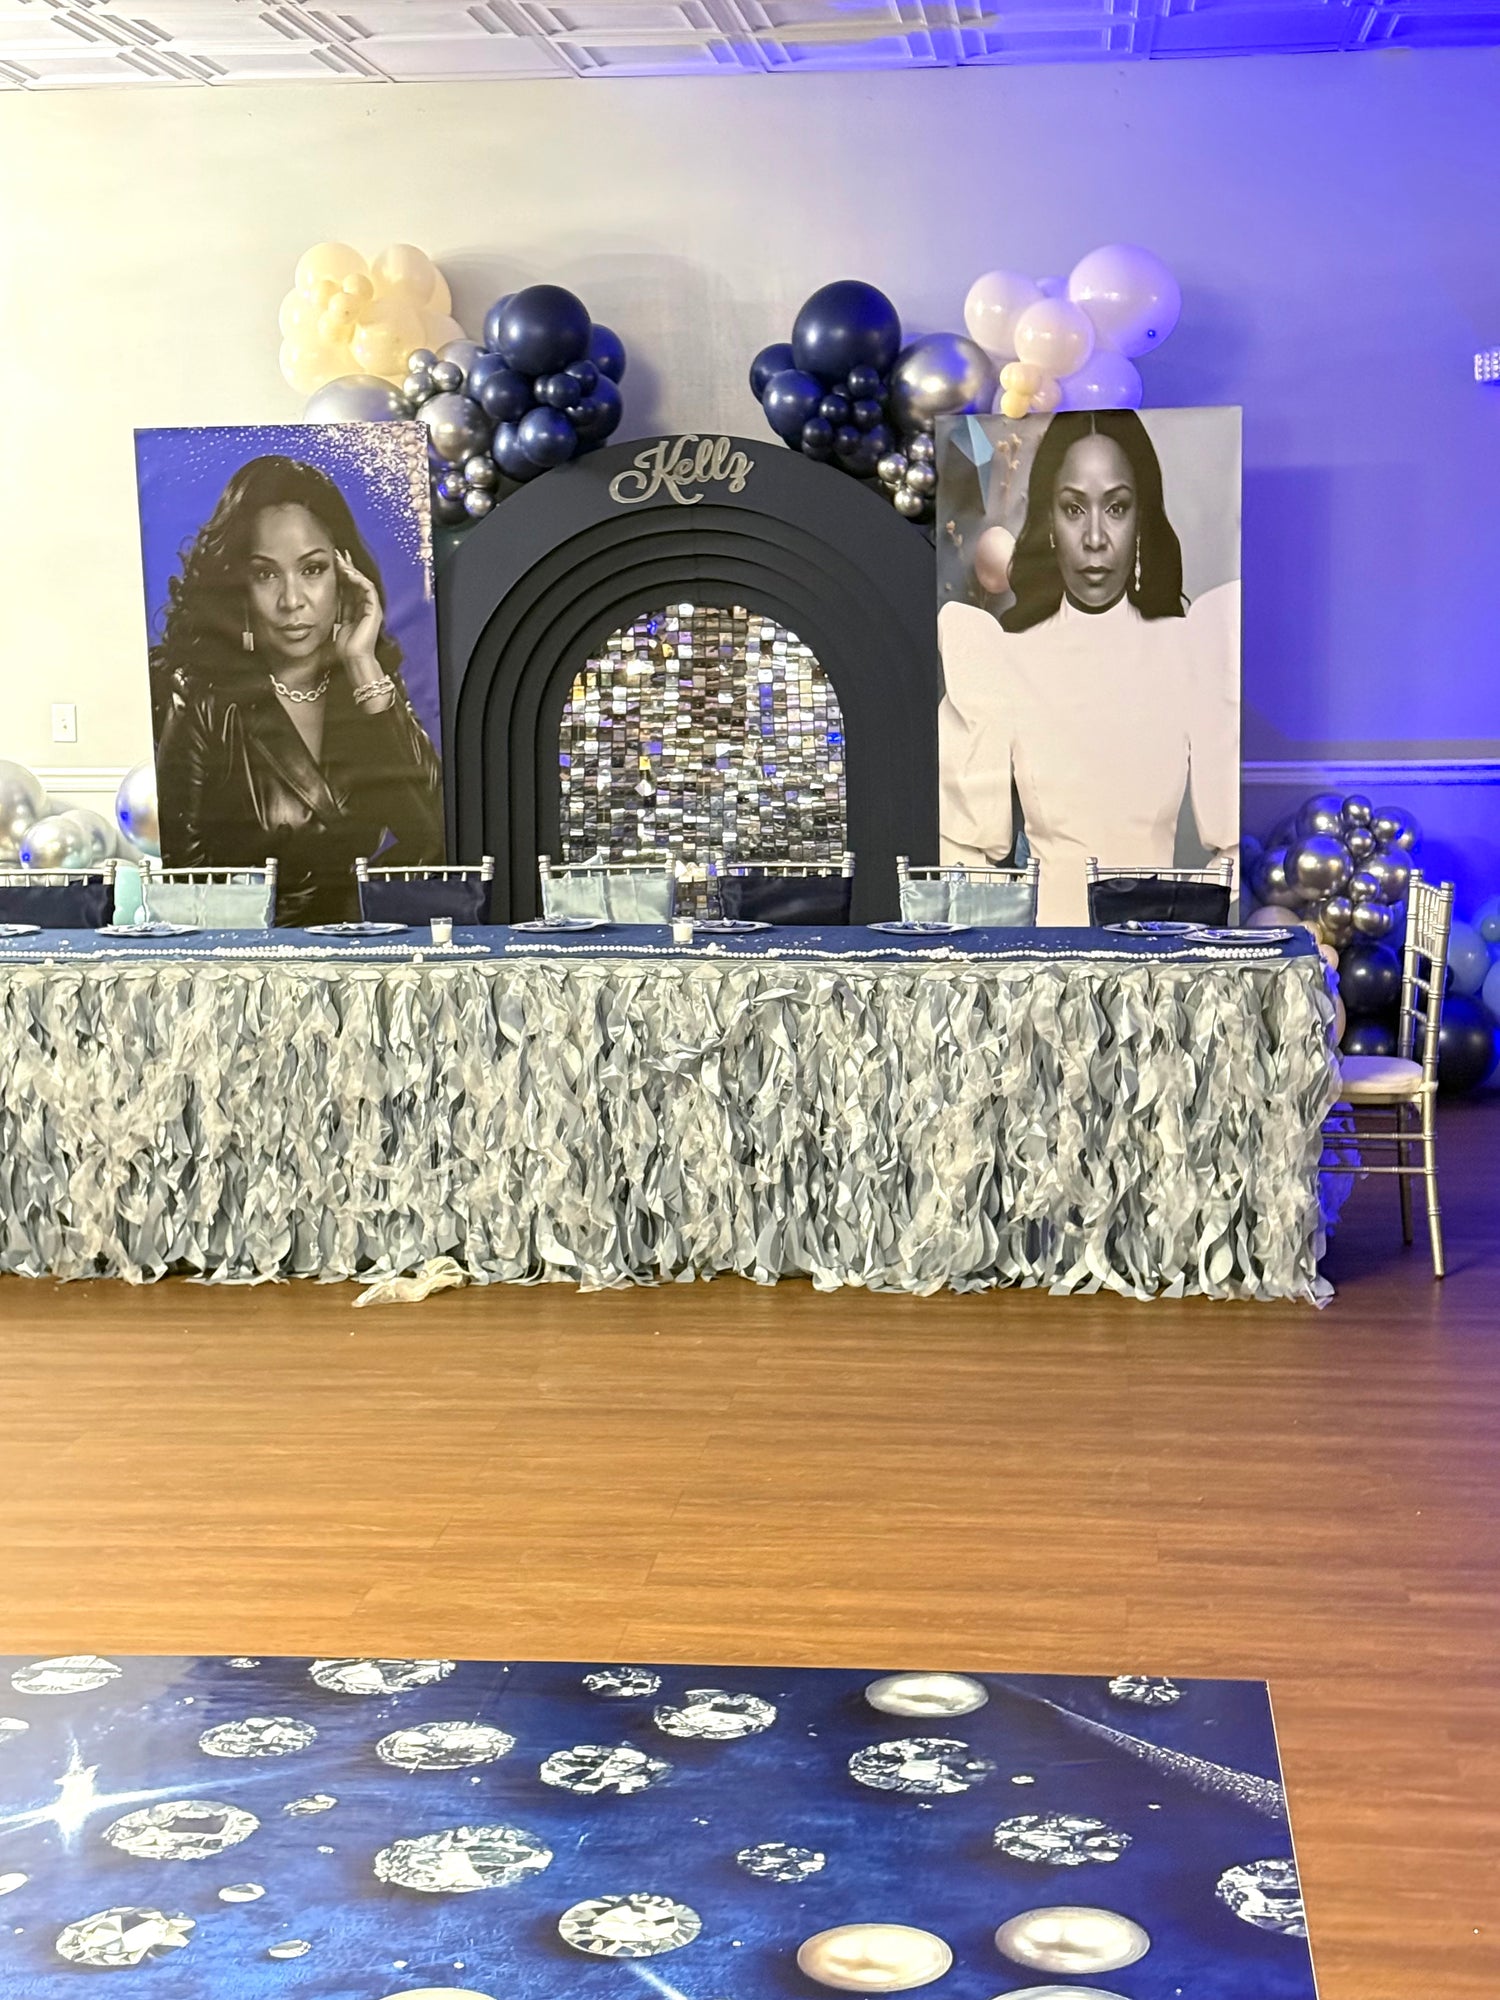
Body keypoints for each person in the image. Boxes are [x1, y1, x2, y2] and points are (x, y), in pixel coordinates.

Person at [938, 410, 1238, 926]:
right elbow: (964, 855)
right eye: (1074, 508)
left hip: (1153, 958)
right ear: (1050, 522)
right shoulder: (1003, 657)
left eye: (1116, 507)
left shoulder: (1193, 648)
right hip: (1043, 958)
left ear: (1141, 519)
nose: (1095, 537)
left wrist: (1177, 927)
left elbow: (1232, 849)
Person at [151, 455, 444, 926]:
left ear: (344, 576)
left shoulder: (368, 687)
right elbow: (188, 885)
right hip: (254, 953)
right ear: (240, 585)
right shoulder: (204, 701)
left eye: (312, 570)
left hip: (360, 945)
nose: (292, 601)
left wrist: (361, 662)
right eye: (266, 574)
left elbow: (432, 838)